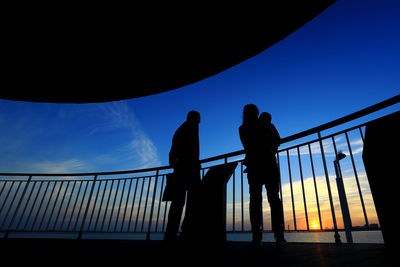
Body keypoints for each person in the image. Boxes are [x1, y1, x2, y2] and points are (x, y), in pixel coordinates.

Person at [239, 104, 286, 246]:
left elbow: (247, 146)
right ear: (257, 113)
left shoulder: (242, 129)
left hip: (254, 168)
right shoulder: (268, 126)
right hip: (269, 165)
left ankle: (256, 236)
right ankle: (279, 235)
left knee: (255, 200)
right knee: (274, 200)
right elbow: (278, 141)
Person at [164, 110, 201, 242]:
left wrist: (175, 163)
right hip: (190, 169)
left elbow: (172, 152)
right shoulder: (190, 128)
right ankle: (186, 231)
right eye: (198, 119)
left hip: (181, 169)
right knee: (192, 202)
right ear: (195, 119)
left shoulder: (181, 130)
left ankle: (171, 233)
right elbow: (191, 151)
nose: (199, 122)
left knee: (178, 203)